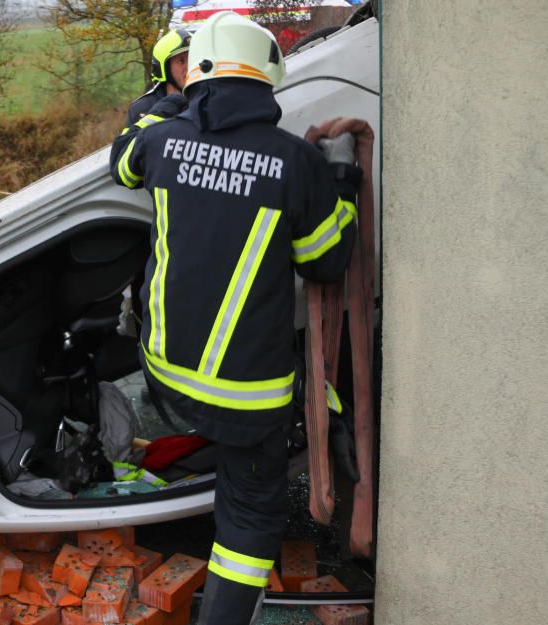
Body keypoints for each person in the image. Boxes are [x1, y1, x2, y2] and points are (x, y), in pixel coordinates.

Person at [109, 12, 361, 624]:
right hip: (247, 402)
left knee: (219, 437)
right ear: (268, 77)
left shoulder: (162, 142)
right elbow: (327, 263)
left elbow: (122, 163)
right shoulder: (294, 165)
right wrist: (342, 184)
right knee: (250, 518)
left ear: (194, 77)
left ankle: (200, 455)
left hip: (164, 376)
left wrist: (167, 112)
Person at [123, 27, 194, 134]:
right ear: (163, 69)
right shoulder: (142, 108)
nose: (189, 66)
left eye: (192, 58)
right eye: (181, 61)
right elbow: (126, 147)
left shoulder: (207, 100)